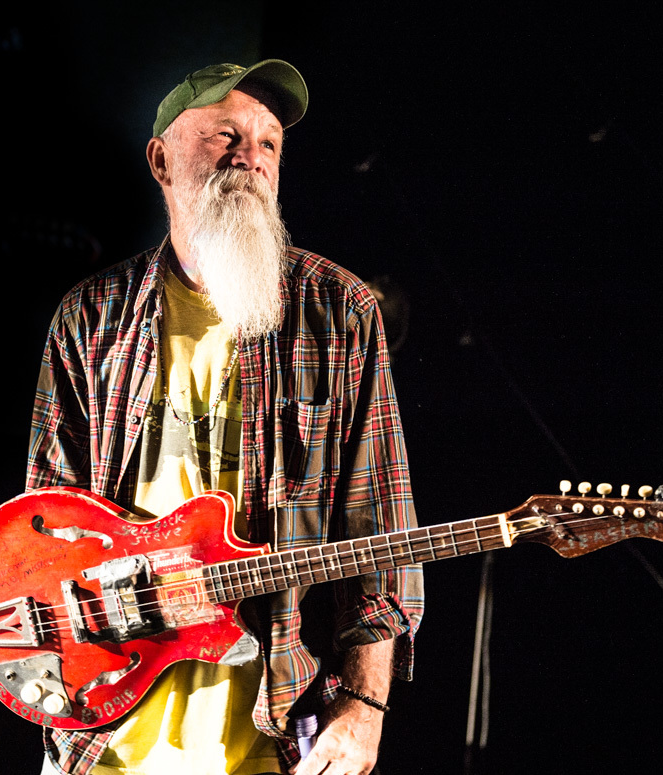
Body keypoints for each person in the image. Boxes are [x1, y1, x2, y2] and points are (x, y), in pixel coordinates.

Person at [27, 59, 424, 775]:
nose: (249, 155)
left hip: (273, 727)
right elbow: (40, 532)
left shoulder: (339, 313)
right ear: (160, 160)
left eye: (268, 142)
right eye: (223, 134)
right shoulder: (89, 319)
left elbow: (381, 532)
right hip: (108, 731)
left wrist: (363, 710)